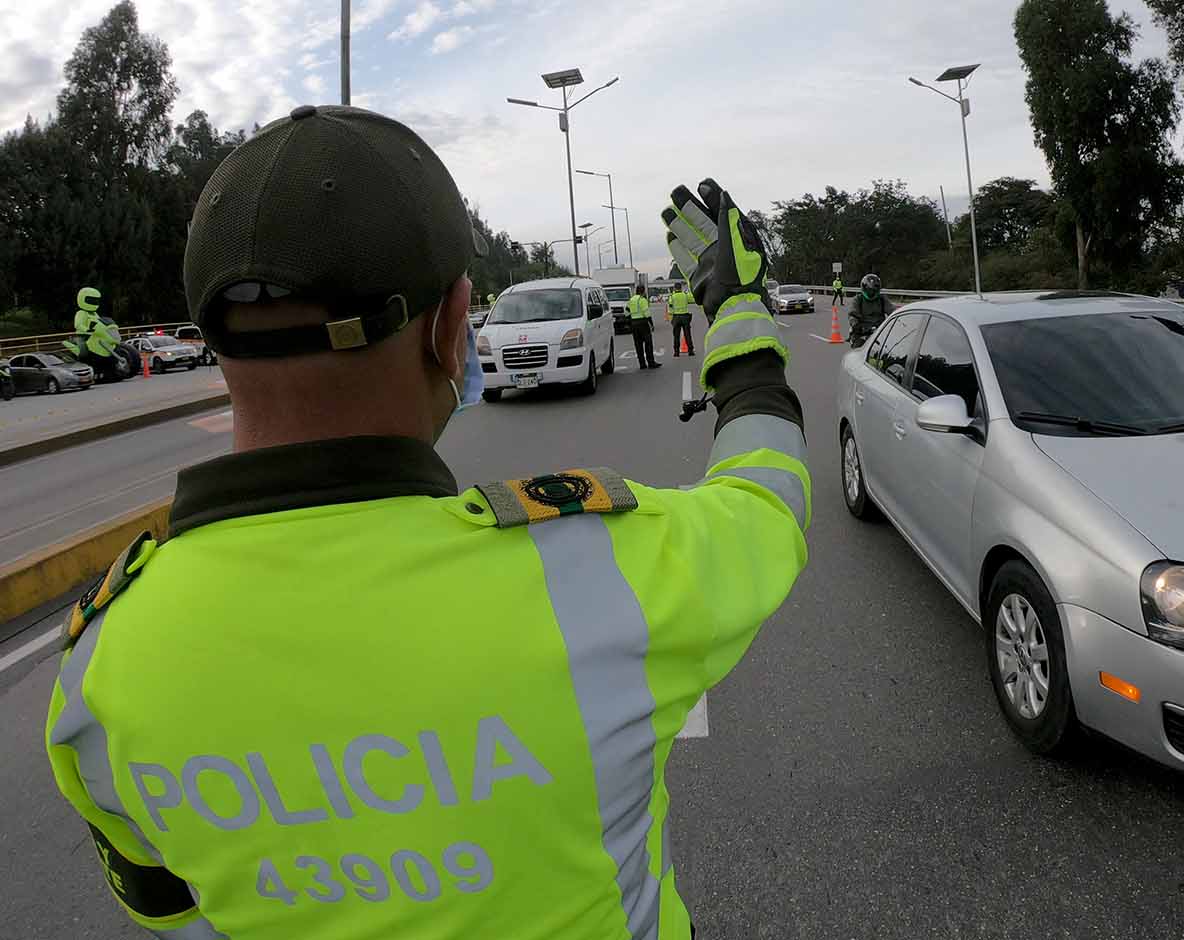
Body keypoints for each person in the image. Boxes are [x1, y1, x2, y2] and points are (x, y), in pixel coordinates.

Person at [44, 105, 808, 940]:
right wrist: (737, 311)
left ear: (216, 348)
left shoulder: (100, 668)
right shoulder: (595, 569)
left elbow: (169, 912)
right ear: (451, 329)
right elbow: (766, 499)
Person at [847, 273, 893, 348]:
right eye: (869, 289)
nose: (871, 292)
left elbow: (892, 310)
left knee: (890, 349)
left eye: (873, 290)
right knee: (859, 348)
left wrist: (898, 320)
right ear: (864, 288)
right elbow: (852, 314)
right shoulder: (858, 299)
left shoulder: (882, 299)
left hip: (879, 331)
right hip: (862, 331)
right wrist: (855, 324)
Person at [627, 282, 660, 369]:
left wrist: (631, 320)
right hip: (643, 324)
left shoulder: (631, 300)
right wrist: (651, 324)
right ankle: (651, 363)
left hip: (634, 324)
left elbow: (626, 312)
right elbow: (647, 313)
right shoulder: (642, 300)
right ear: (643, 291)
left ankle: (642, 364)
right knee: (648, 343)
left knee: (638, 345)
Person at [668, 282, 696, 357]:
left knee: (676, 335)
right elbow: (692, 300)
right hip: (685, 317)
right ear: (681, 288)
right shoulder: (685, 295)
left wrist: (671, 318)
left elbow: (670, 307)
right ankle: (690, 351)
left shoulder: (672, 296)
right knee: (687, 335)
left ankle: (676, 352)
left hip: (676, 317)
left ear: (674, 288)